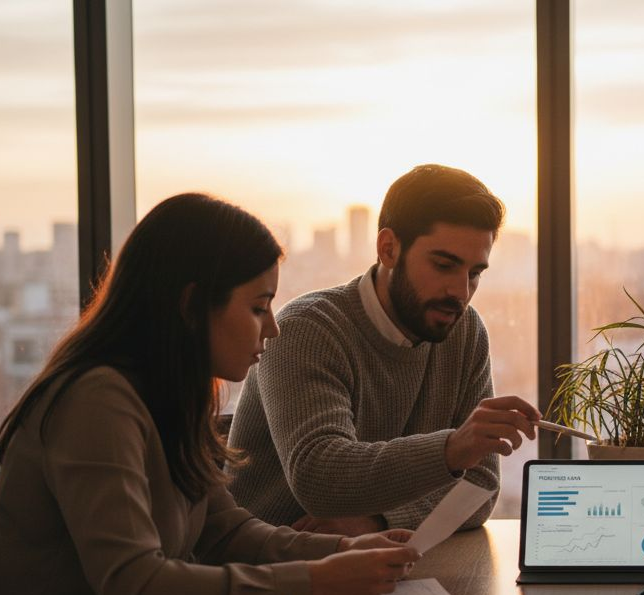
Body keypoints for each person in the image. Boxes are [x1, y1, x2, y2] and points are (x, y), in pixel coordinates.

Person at [0, 193, 418, 595]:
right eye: (257, 307)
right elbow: (134, 589)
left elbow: (225, 530)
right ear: (190, 305)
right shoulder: (96, 401)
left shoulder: (172, 390)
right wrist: (314, 582)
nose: (273, 327)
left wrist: (340, 554)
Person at [226, 165, 539, 537]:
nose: (460, 291)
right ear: (388, 248)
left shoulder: (465, 331)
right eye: (443, 265)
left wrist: (379, 521)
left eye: (474, 273)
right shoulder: (307, 329)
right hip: (274, 573)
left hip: (378, 566)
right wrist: (453, 450)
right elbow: (318, 476)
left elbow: (481, 487)